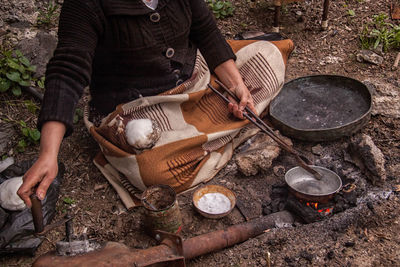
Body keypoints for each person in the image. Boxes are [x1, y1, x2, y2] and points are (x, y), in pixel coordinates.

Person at [18, 0, 293, 207]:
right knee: (155, 174)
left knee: (269, 54)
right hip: (138, 107)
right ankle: (225, 132)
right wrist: (48, 154)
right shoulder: (86, 4)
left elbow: (206, 32)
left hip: (194, 81)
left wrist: (237, 87)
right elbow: (67, 72)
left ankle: (207, 135)